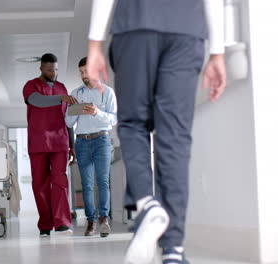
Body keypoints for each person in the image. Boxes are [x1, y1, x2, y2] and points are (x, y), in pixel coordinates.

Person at [86, 0, 227, 263]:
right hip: (187, 29)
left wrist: (95, 43)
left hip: (135, 25)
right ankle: (173, 249)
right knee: (175, 136)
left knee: (132, 123)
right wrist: (218, 52)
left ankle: (147, 205)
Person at [22, 53, 77, 237]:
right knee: (40, 184)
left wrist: (72, 144)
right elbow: (36, 101)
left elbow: (68, 118)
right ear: (41, 68)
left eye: (55, 70)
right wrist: (60, 98)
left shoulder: (62, 87)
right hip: (38, 142)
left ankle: (62, 222)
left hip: (60, 141)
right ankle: (45, 223)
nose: (53, 73)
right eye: (49, 70)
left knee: (60, 182)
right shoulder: (31, 86)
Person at [65, 57, 117, 237]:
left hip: (102, 140)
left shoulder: (107, 92)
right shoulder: (76, 94)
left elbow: (113, 118)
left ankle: (104, 219)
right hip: (82, 142)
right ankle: (91, 222)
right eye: (81, 72)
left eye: (86, 71)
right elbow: (69, 122)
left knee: (102, 181)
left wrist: (97, 112)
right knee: (86, 184)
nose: (83, 75)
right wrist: (72, 109)